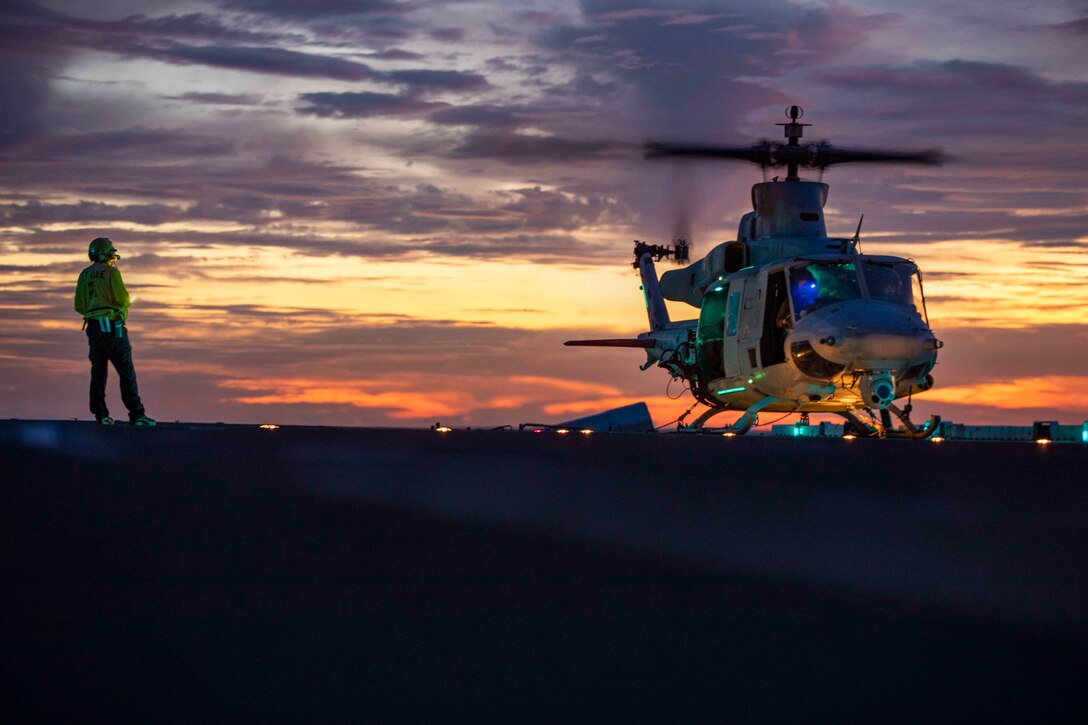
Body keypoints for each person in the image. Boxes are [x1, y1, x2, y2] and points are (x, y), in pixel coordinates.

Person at [74, 237, 156, 426]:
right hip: (112, 327)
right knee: (126, 371)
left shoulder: (84, 274)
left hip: (93, 328)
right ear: (107, 253)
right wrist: (126, 302)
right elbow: (121, 300)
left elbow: (79, 305)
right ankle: (137, 414)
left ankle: (101, 415)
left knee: (98, 372)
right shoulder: (111, 273)